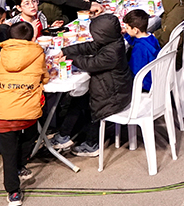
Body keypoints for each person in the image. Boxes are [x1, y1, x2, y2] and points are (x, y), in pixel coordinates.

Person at [56, 14, 133, 157]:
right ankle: (64, 134)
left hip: (112, 97)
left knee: (93, 107)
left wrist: (71, 58)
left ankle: (92, 144)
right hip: (114, 88)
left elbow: (90, 64)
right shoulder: (113, 41)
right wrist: (66, 50)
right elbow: (90, 46)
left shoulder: (112, 53)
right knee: (79, 99)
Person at [0, 21, 47, 206]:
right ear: (32, 37)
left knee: (7, 153)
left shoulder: (3, 52)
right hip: (27, 112)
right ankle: (21, 163)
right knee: (31, 135)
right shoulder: (37, 51)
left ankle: (13, 192)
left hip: (3, 112)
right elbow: (44, 76)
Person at [124, 9, 162, 91]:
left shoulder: (139, 49)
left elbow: (135, 70)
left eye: (127, 28)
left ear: (135, 30)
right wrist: (126, 34)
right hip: (155, 76)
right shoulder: (151, 38)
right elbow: (136, 40)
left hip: (145, 83)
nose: (126, 29)